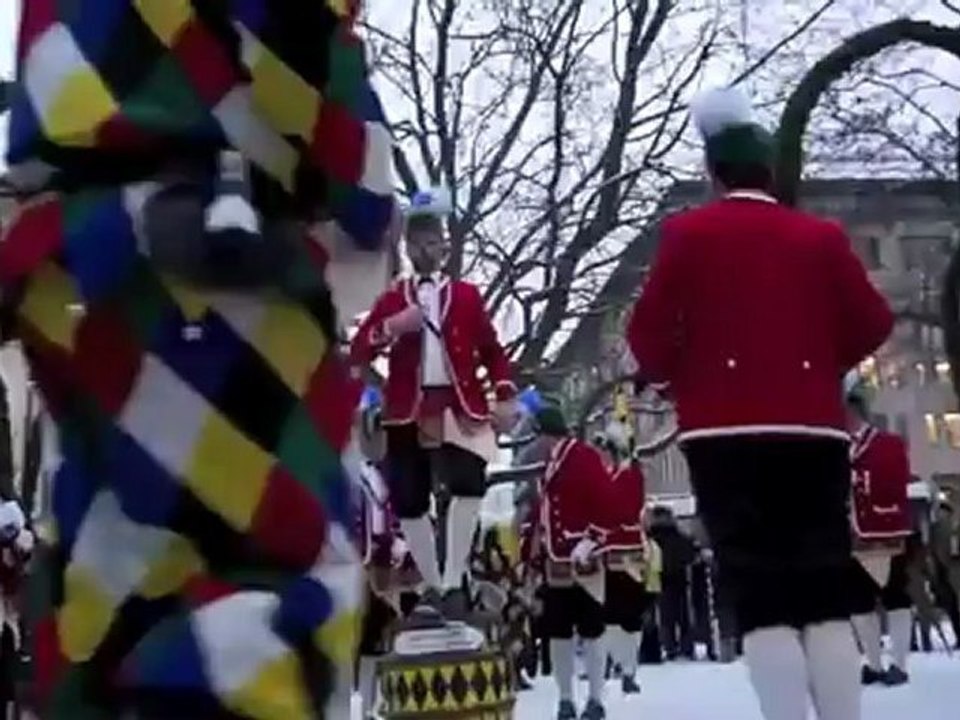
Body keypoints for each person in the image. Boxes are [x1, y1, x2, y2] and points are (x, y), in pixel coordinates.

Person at [1, 4, 397, 718]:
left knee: (104, 590)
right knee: (275, 586)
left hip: (77, 265)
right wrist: (365, 183)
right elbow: (302, 65)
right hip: (227, 271)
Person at [627, 86, 894, 720]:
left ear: (712, 173)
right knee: (823, 589)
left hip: (724, 435)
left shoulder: (687, 234)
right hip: (814, 430)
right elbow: (873, 322)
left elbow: (648, 335)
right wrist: (820, 362)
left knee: (761, 594)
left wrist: (672, 372)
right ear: (768, 172)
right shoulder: (821, 238)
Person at [350, 187, 517, 617]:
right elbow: (358, 352)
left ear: (445, 244)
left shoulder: (466, 296)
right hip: (407, 407)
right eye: (420, 240)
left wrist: (503, 393)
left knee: (468, 484)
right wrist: (390, 328)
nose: (429, 248)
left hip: (459, 405)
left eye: (435, 239)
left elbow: (493, 351)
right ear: (408, 247)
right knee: (408, 499)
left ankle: (452, 576)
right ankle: (434, 583)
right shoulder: (392, 298)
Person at [520, 405, 613, 720]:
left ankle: (596, 699)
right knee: (558, 632)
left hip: (584, 558)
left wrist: (592, 539)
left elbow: (605, 499)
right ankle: (565, 699)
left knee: (592, 630)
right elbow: (545, 509)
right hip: (556, 561)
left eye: (538, 436)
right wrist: (531, 544)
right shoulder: (550, 462)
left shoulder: (584, 457)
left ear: (547, 434)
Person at [843, 372, 913, 686]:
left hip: (884, 532)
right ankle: (872, 662)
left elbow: (893, 483)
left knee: (895, 597)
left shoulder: (887, 445)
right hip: (849, 534)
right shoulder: (834, 447)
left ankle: (899, 662)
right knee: (857, 602)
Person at [597, 429, 648, 693]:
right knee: (608, 614)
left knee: (629, 614)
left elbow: (629, 509)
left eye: (606, 450)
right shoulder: (604, 477)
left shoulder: (629, 476)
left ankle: (628, 668)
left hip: (627, 551)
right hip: (606, 553)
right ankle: (613, 662)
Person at [647, 506, 696, 660]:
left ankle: (670, 647)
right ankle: (686, 647)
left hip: (658, 579)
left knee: (665, 616)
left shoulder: (650, 538)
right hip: (680, 578)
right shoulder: (680, 536)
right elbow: (690, 554)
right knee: (683, 615)